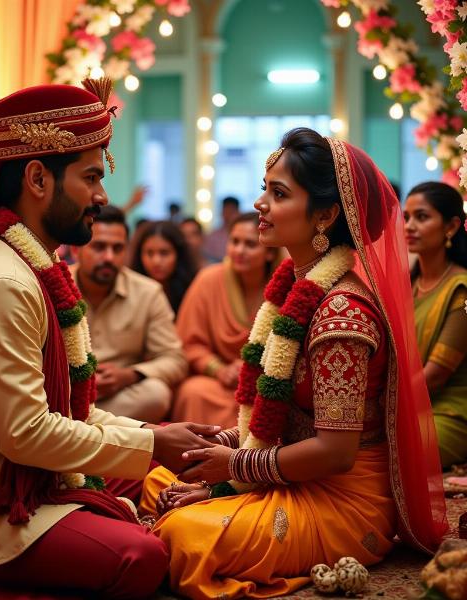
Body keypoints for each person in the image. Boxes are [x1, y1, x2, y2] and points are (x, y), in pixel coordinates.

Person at [0, 80, 220, 599]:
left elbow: (65, 411)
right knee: (143, 555)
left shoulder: (34, 264)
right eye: (91, 176)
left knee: (156, 480)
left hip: (26, 479)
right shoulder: (1, 283)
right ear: (36, 178)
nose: (102, 195)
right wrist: (154, 442)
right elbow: (25, 435)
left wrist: (156, 434)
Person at [139, 128, 447, 599]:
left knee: (183, 536)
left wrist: (236, 464)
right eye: (265, 188)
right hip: (293, 470)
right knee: (160, 475)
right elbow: (280, 416)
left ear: (324, 215)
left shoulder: (342, 315)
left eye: (277, 193)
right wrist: (221, 445)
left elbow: (336, 453)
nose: (260, 203)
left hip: (344, 496)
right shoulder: (294, 289)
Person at [71, 205, 187, 422]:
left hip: (117, 396)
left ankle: (79, 429)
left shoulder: (147, 292)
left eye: (117, 248)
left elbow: (175, 359)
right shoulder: (53, 285)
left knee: (156, 394)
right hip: (65, 394)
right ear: (76, 249)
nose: (109, 257)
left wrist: (129, 375)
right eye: (99, 247)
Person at [172, 212, 278, 428]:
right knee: (193, 391)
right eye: (234, 242)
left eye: (250, 244)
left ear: (269, 253)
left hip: (266, 381)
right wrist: (219, 370)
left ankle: (251, 460)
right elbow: (188, 343)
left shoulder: (285, 284)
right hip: (219, 381)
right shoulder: (208, 279)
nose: (239, 251)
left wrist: (256, 370)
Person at [404, 181, 467, 468]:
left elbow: (436, 376)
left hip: (449, 412)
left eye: (422, 216)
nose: (409, 226)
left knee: (393, 453)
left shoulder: (461, 289)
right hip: (407, 404)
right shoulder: (408, 286)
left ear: (451, 227)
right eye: (406, 217)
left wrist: (383, 408)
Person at [130, 220, 198, 315]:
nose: (156, 261)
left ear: (179, 255)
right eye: (150, 253)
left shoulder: (193, 290)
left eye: (164, 253)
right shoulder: (130, 291)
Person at [203, 196, 240, 262]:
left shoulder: (242, 234)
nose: (228, 215)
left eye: (231, 212)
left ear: (238, 212)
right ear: (222, 212)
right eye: (226, 211)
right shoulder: (213, 236)